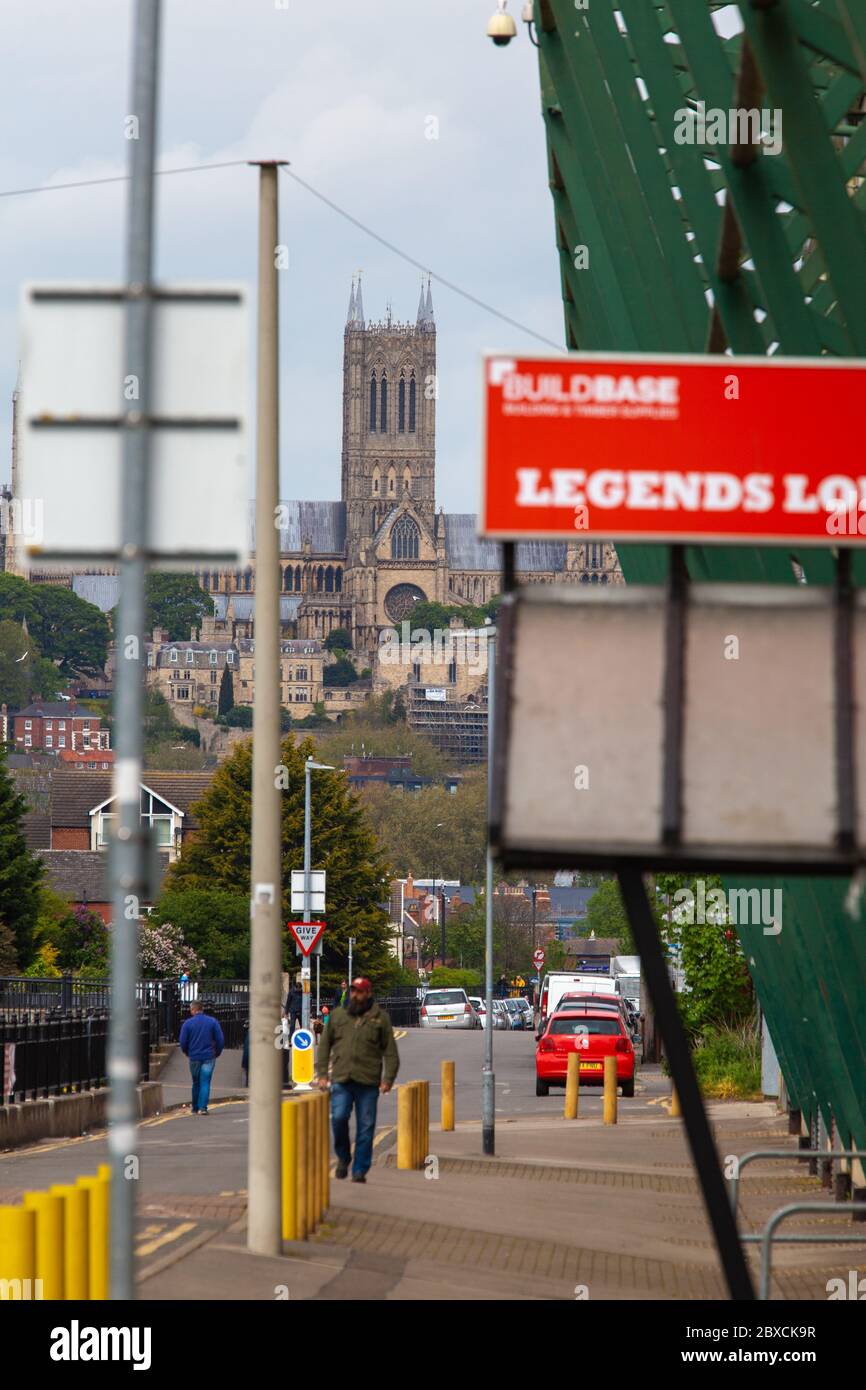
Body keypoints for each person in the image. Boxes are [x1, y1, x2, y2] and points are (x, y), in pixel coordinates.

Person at [316, 977, 399, 1183]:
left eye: (359, 991)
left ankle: (360, 1169)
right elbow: (324, 1046)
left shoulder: (380, 1018)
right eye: (353, 991)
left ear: (368, 994)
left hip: (368, 1081)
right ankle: (344, 1157)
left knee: (366, 1126)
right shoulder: (337, 1016)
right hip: (342, 1078)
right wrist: (322, 1074)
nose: (355, 995)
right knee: (338, 1118)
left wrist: (388, 1078)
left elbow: (390, 1052)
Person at [178, 1001, 224, 1115]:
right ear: (202, 1009)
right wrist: (217, 1053)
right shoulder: (212, 1022)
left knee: (196, 1082)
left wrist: (186, 1052)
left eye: (191, 1010)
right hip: (209, 1056)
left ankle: (195, 1108)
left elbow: (183, 1042)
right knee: (205, 1082)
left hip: (194, 1057)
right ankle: (203, 1108)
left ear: (193, 1010)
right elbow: (220, 1040)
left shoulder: (187, 1024)